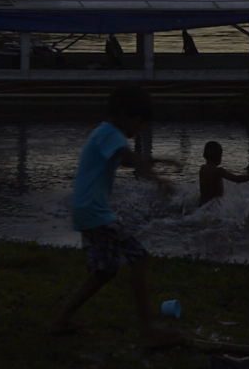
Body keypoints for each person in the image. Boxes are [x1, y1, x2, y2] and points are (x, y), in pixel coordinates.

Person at [47, 83, 181, 345]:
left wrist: (162, 161)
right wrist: (157, 179)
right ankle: (149, 330)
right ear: (122, 114)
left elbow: (129, 160)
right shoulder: (112, 135)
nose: (139, 128)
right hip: (95, 211)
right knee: (139, 257)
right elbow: (127, 154)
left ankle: (61, 321)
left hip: (86, 209)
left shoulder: (105, 133)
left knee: (105, 271)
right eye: (138, 121)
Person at [196, 140, 249, 206]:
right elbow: (237, 179)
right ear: (219, 157)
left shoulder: (202, 168)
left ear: (204, 155)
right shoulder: (219, 171)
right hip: (214, 207)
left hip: (202, 205)